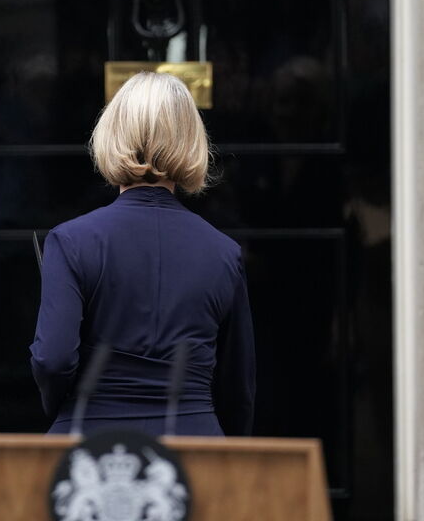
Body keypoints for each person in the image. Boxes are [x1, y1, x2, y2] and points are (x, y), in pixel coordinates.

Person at [30, 71, 256, 436]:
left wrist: (70, 412)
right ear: (190, 142)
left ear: (111, 135)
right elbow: (237, 388)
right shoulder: (223, 253)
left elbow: (52, 359)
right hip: (193, 444)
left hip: (92, 450)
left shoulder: (71, 241)